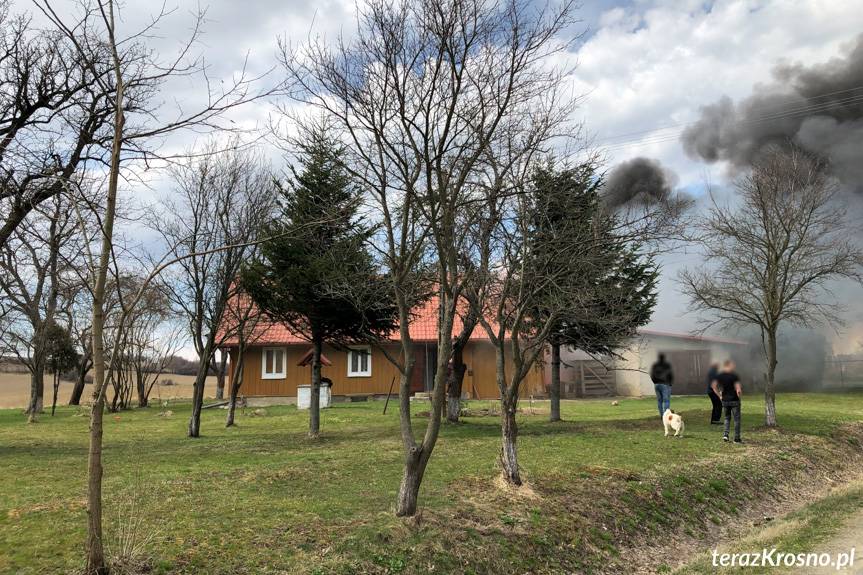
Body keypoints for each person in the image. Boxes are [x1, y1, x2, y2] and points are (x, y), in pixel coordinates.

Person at [712, 360, 743, 443]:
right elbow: (738, 390)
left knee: (727, 418)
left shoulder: (720, 376)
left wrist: (720, 396)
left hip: (725, 400)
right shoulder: (734, 376)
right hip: (734, 400)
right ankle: (736, 438)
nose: (734, 366)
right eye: (733, 365)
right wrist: (739, 396)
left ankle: (725, 435)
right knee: (736, 419)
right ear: (729, 365)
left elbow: (714, 386)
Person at [650, 353, 674, 417]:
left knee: (659, 401)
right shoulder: (667, 365)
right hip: (665, 384)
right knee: (666, 401)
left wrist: (655, 382)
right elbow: (670, 375)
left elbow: (652, 375)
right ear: (664, 358)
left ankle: (661, 415)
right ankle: (665, 416)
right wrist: (670, 383)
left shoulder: (655, 365)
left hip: (657, 385)